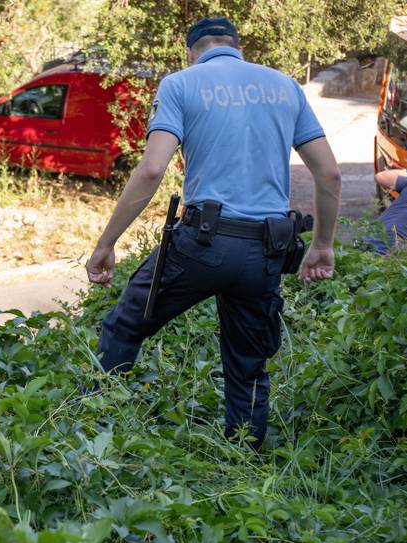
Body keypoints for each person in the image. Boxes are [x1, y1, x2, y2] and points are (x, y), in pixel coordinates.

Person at [85, 17, 341, 449]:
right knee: (248, 363)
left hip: (202, 244)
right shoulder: (284, 86)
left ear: (192, 51)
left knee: (125, 326)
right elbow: (330, 174)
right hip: (267, 249)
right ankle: (245, 460)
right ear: (237, 47)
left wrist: (106, 243)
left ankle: (94, 434)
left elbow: (151, 170)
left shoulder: (181, 84)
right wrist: (322, 245)